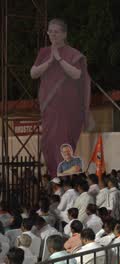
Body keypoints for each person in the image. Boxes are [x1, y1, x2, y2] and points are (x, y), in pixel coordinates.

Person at [30, 18, 91, 177]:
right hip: (49, 107)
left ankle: (64, 177)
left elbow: (77, 74)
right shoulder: (44, 52)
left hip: (68, 109)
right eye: (50, 31)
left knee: (63, 142)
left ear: (64, 34)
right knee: (48, 143)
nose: (53, 35)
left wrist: (59, 59)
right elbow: (33, 73)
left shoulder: (73, 53)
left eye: (56, 32)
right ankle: (54, 176)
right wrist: (50, 61)